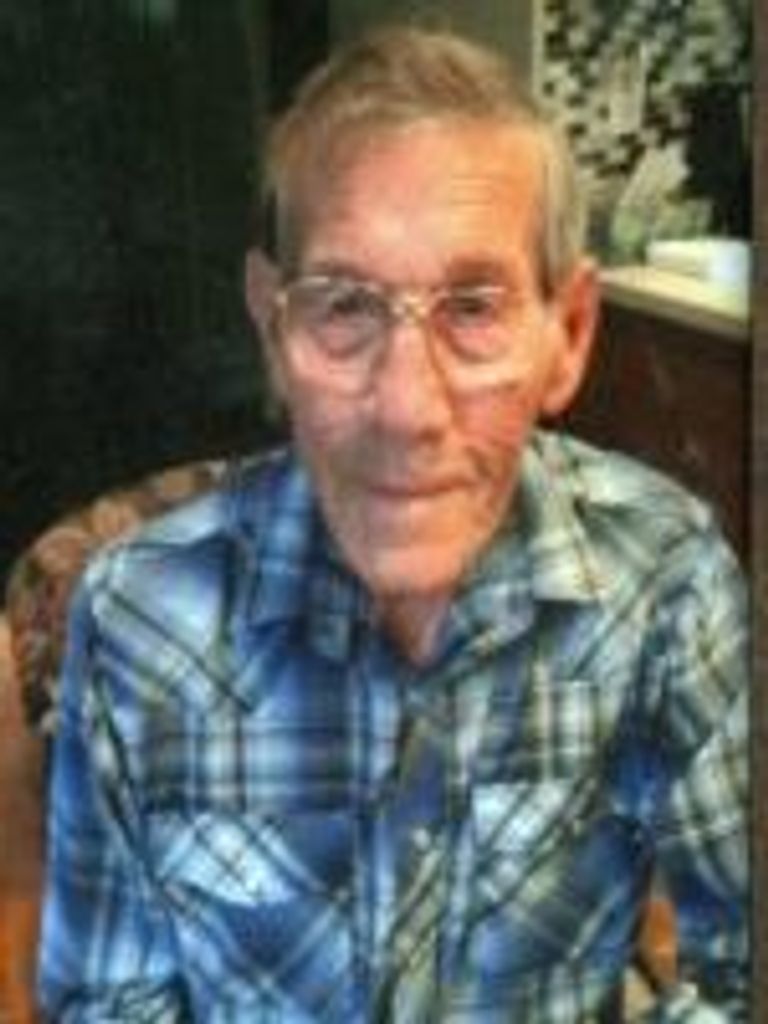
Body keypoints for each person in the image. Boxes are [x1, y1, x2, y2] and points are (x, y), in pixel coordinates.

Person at [38, 25, 748, 1022]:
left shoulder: (666, 579)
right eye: (344, 305)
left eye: (474, 306)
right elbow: (107, 999)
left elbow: (740, 966)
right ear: (274, 327)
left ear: (569, 332)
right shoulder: (138, 620)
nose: (407, 408)